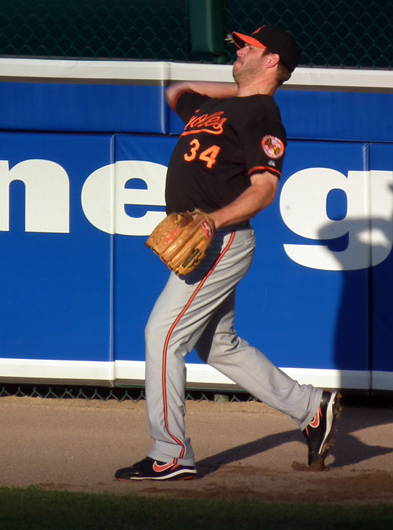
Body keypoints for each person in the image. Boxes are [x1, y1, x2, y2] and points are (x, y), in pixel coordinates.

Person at [115, 25, 341, 481]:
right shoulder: (223, 106)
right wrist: (242, 89)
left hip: (221, 239)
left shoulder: (262, 118)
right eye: (238, 45)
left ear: (272, 60)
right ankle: (310, 407)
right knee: (217, 345)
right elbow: (178, 90)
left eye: (248, 47)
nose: (237, 50)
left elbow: (264, 190)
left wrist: (212, 220)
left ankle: (171, 452)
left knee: (162, 336)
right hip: (204, 241)